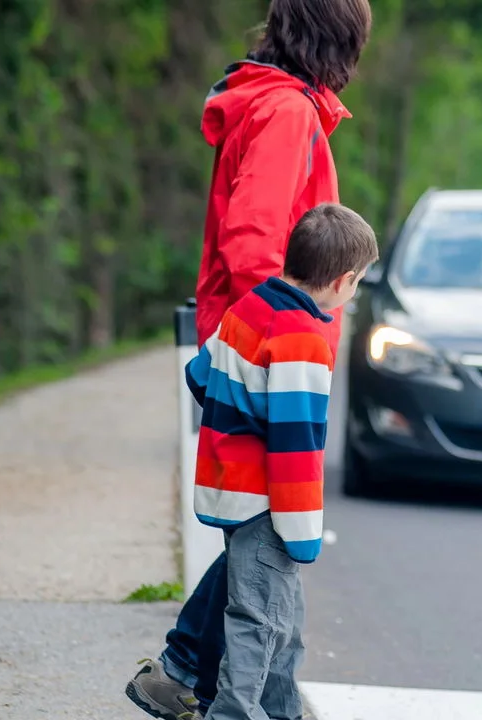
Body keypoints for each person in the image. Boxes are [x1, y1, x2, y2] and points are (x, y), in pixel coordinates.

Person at [125, 1, 371, 718]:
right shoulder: (286, 113)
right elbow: (253, 243)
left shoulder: (276, 105)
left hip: (253, 340)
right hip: (271, 351)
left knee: (255, 535)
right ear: (340, 40)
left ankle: (181, 675)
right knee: (266, 534)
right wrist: (291, 336)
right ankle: (210, 686)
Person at [190, 203, 377, 720]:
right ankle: (232, 712)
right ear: (342, 281)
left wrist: (241, 408)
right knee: (257, 619)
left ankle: (281, 711)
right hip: (268, 503)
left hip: (229, 485)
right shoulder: (303, 340)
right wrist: (302, 532)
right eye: (358, 283)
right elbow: (295, 446)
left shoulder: (250, 307)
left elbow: (199, 374)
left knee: (282, 615)